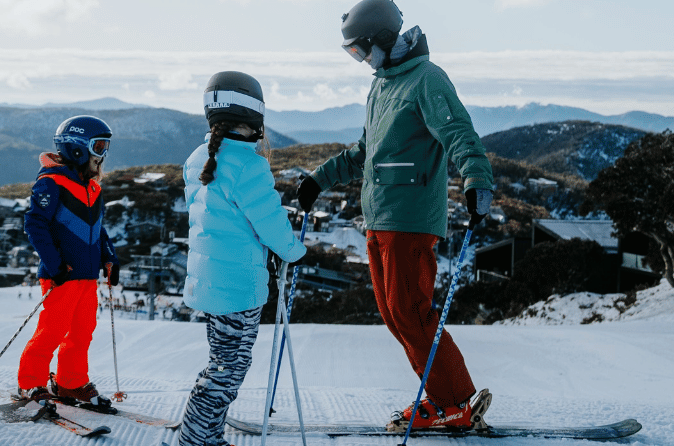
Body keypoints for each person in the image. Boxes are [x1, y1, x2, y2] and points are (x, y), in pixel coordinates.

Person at [294, 0, 496, 432]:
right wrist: (318, 180)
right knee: (394, 315)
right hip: (379, 217)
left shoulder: (427, 78)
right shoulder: (381, 86)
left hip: (410, 217)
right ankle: (443, 397)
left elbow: (458, 131)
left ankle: (454, 402)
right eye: (353, 53)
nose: (362, 60)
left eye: (362, 50)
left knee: (411, 312)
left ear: (383, 39)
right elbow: (364, 152)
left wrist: (477, 179)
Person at [172, 71, 308, 446]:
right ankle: (196, 438)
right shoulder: (249, 166)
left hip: (207, 282)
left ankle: (206, 434)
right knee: (228, 368)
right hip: (237, 288)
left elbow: (205, 217)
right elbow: (270, 222)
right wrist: (295, 252)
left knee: (223, 360)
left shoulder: (197, 159)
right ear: (254, 117)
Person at [16, 115, 122, 409]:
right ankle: (31, 382)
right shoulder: (51, 183)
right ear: (77, 148)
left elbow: (97, 229)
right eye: (98, 146)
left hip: (87, 276)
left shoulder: (92, 188)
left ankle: (70, 382)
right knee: (52, 330)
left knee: (82, 332)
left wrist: (110, 258)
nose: (103, 154)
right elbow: (35, 224)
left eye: (105, 147)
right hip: (62, 274)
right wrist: (55, 265)